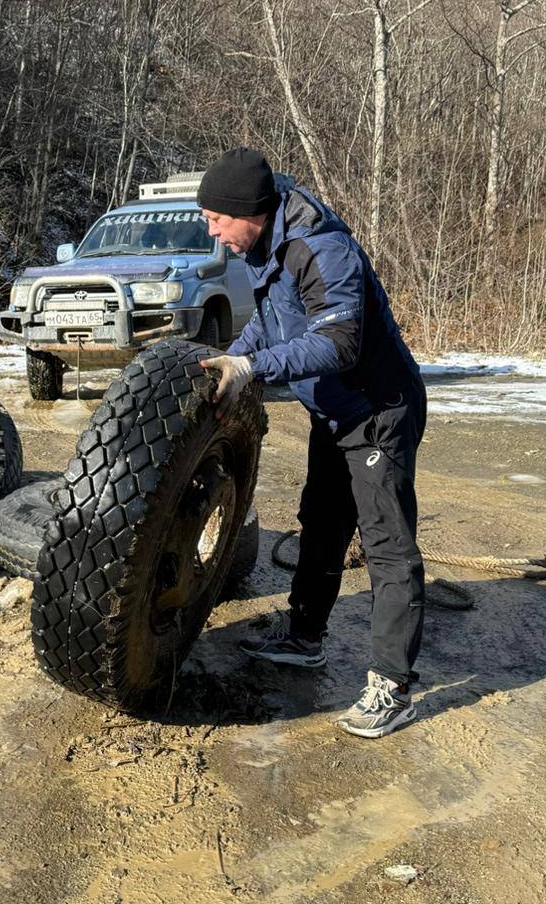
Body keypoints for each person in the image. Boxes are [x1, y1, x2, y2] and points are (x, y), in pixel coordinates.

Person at [197, 147, 427, 739]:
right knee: (321, 523)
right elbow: (272, 321)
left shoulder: (322, 247)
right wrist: (232, 357)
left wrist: (256, 369)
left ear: (248, 211)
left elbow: (340, 342)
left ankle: (394, 686)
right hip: (334, 413)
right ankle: (304, 638)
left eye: (217, 220)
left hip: (378, 410)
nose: (213, 233)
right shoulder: (263, 245)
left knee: (387, 545)